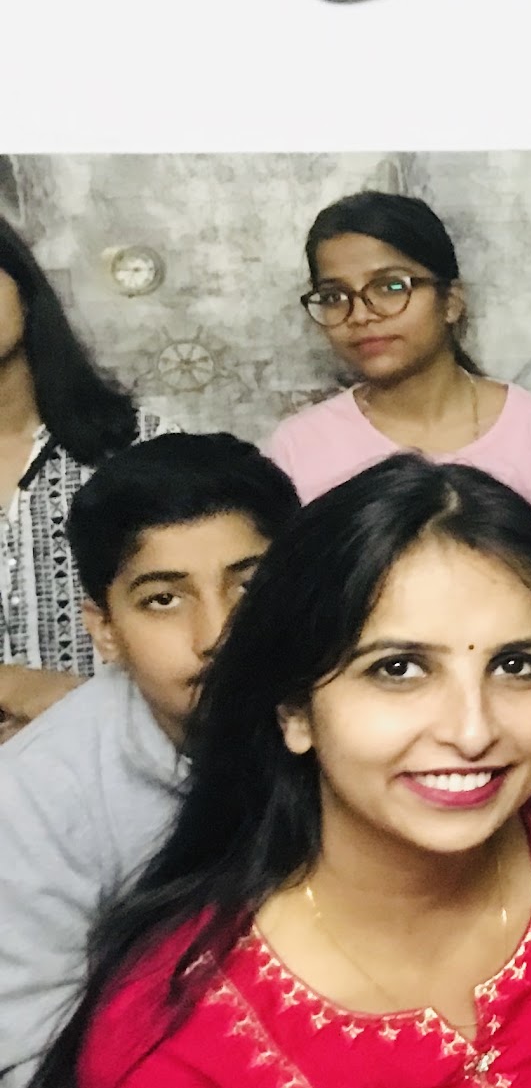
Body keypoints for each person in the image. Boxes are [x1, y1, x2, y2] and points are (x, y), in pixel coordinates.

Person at [31, 455, 531, 1087]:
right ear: (294, 709)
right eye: (399, 668)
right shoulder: (171, 1036)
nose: (473, 730)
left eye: (515, 664)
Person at [0, 435, 296, 1088]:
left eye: (250, 585)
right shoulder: (34, 800)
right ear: (105, 628)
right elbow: (32, 1059)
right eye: (164, 598)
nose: (217, 634)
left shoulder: (368, 728)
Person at [266, 191, 531, 561]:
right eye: (334, 296)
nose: (360, 314)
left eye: (390, 287)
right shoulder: (297, 449)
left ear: (451, 301)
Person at [0, 215, 171, 737]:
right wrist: (12, 684)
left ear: (23, 287)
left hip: (130, 764)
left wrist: (81, 718)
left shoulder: (143, 452)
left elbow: (215, 632)